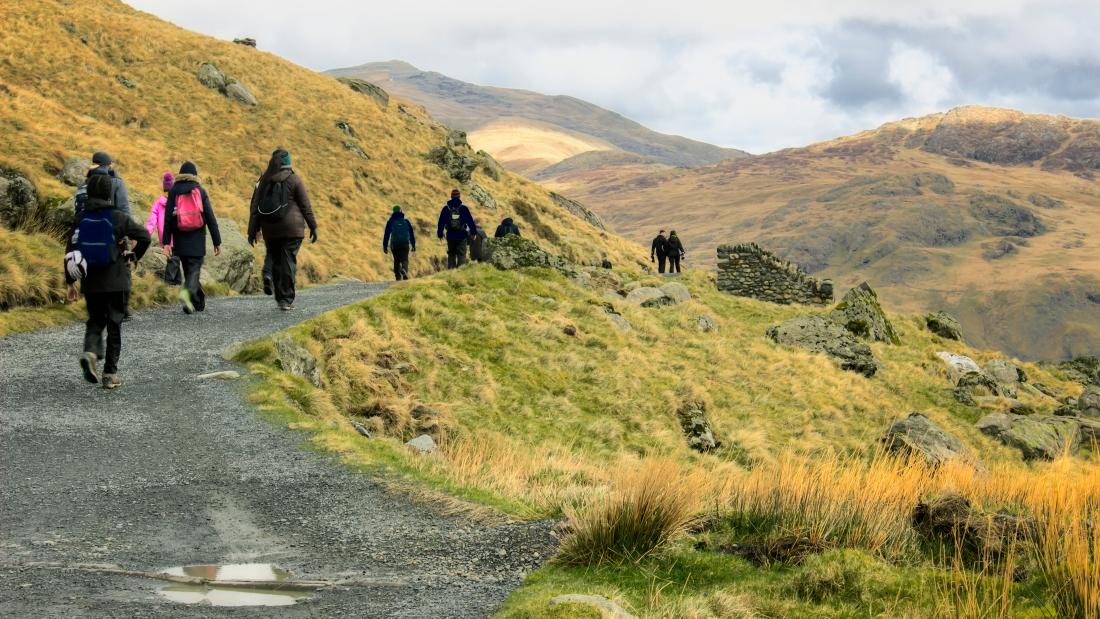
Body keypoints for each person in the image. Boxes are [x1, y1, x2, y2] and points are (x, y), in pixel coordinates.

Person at [64, 173, 151, 389]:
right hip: (117, 280)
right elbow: (145, 236)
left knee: (95, 320)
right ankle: (110, 374)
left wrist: (70, 282)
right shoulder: (118, 217)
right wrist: (134, 256)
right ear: (109, 192)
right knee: (114, 324)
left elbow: (70, 252)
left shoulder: (81, 218)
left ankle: (90, 353)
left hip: (91, 281)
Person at [247, 148, 318, 310]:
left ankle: (272, 283)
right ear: (288, 164)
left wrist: (253, 231)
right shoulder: (294, 179)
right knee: (287, 262)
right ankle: (285, 299)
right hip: (292, 228)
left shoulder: (263, 181)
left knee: (275, 259)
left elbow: (255, 207)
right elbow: (305, 206)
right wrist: (313, 226)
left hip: (270, 228)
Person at [163, 161, 221, 314]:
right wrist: (217, 241)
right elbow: (210, 217)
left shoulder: (174, 190)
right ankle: (186, 293)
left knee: (189, 271)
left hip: (180, 238)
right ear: (194, 175)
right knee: (194, 270)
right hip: (197, 238)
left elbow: (168, 218)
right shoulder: (200, 190)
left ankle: (196, 303)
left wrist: (166, 242)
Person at [146, 171, 181, 285]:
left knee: (173, 259)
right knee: (174, 258)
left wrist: (147, 234)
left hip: (164, 236)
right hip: (176, 235)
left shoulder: (158, 203)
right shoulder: (177, 200)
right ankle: (169, 283)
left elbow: (152, 222)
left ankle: (177, 282)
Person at [436, 189, 477, 269]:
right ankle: (460, 273)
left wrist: (440, 234)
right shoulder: (464, 209)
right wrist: (473, 232)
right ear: (459, 197)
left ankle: (451, 272)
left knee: (451, 254)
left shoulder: (446, 209)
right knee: (462, 255)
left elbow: (441, 222)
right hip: (462, 236)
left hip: (450, 236)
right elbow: (470, 221)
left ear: (451, 197)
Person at [382, 205, 416, 281]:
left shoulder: (390, 222)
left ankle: (398, 277)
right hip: (405, 243)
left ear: (393, 212)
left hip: (395, 244)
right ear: (401, 211)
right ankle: (404, 270)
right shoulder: (406, 221)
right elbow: (411, 233)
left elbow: (386, 234)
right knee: (405, 259)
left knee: (396, 260)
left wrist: (385, 246)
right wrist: (413, 245)